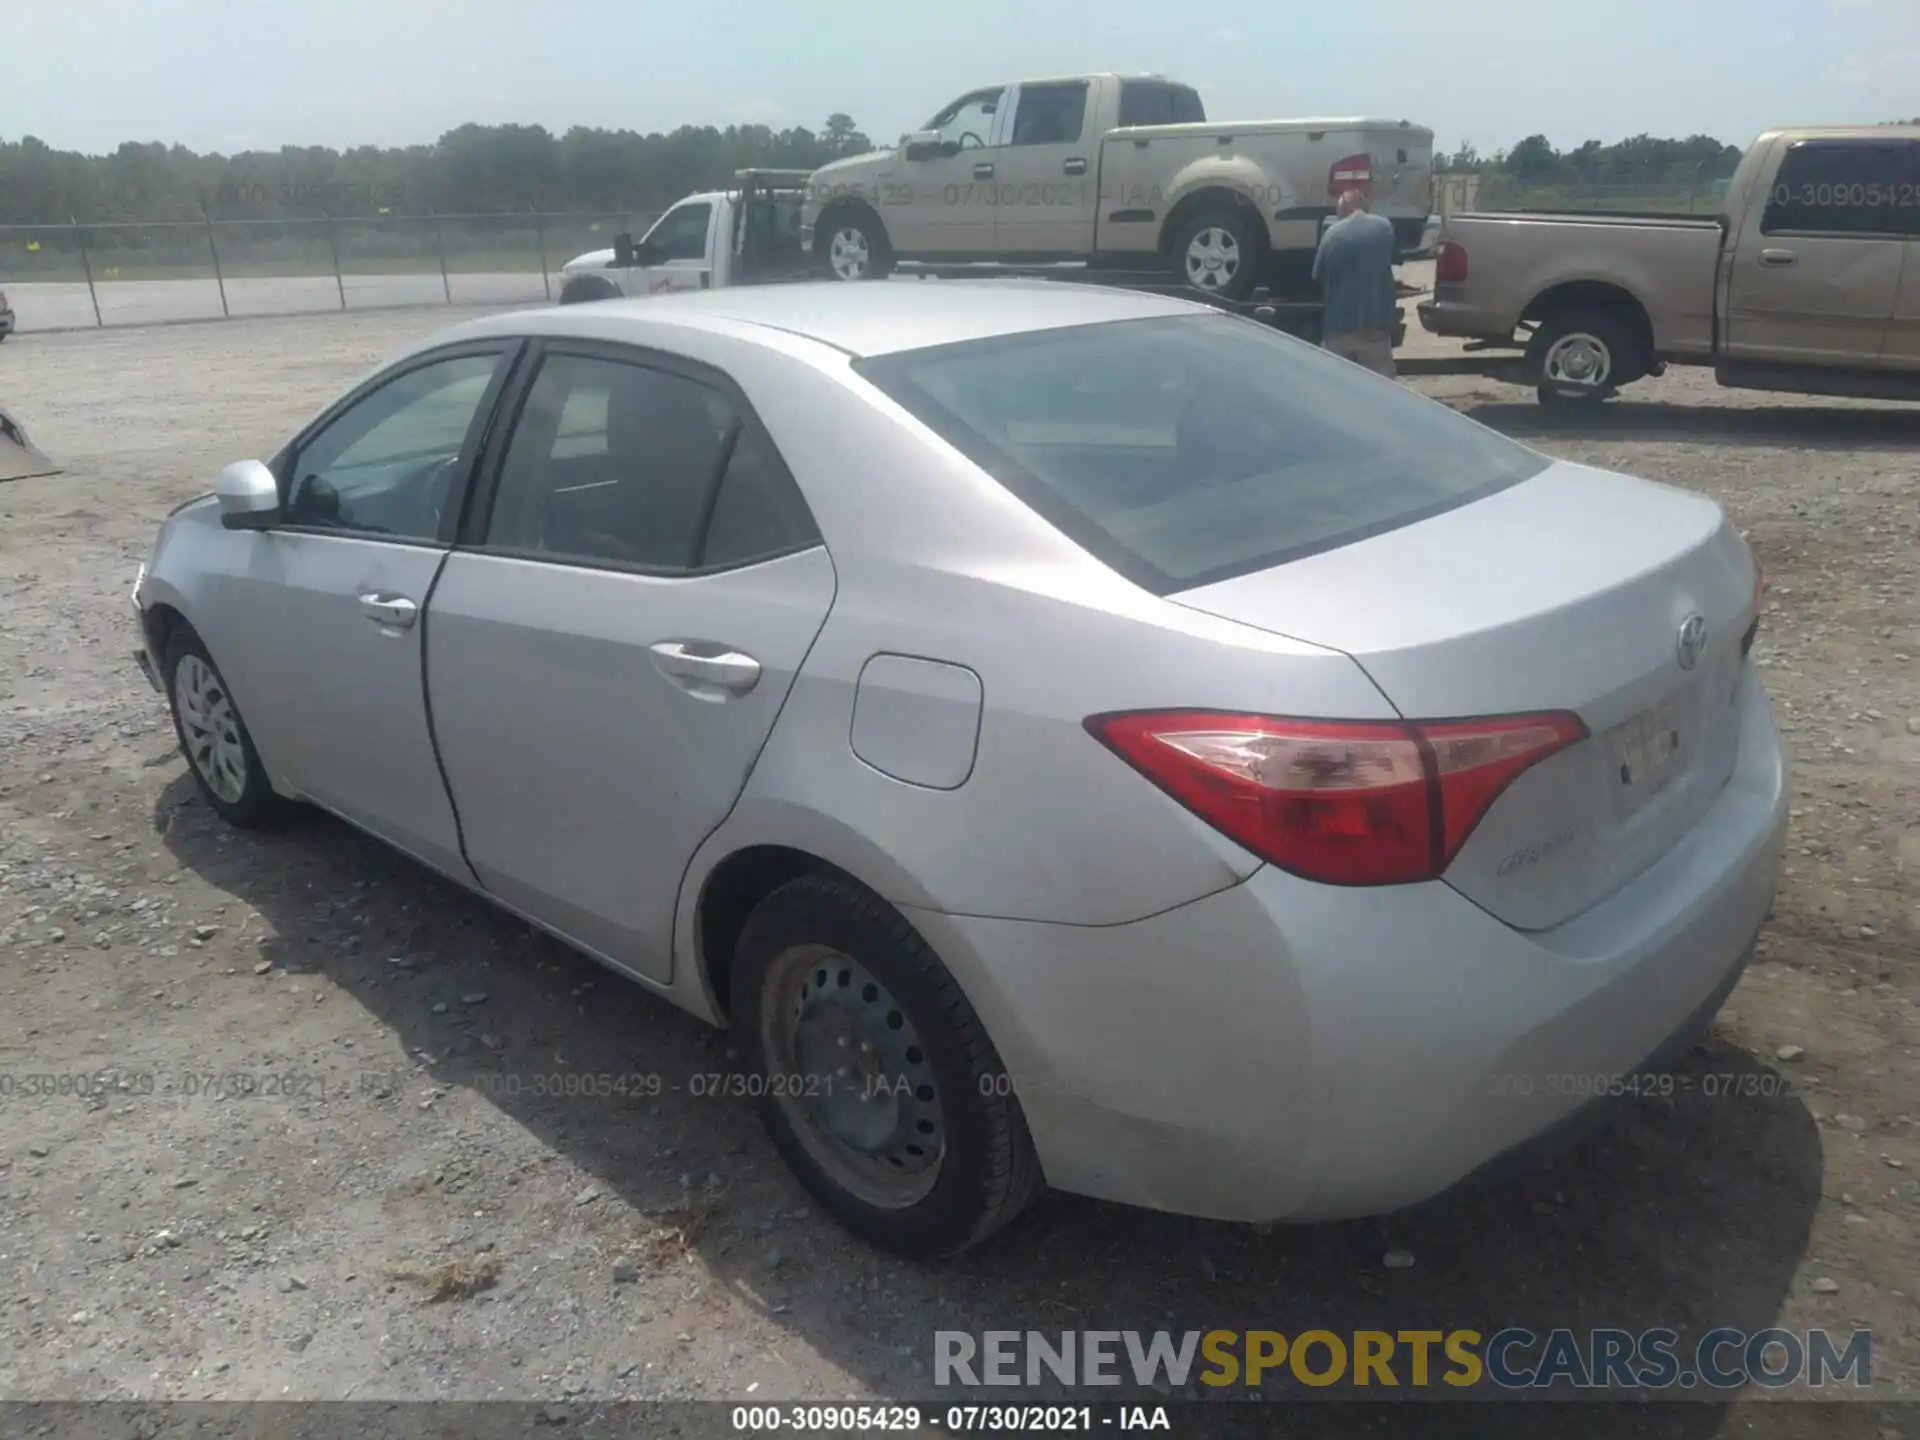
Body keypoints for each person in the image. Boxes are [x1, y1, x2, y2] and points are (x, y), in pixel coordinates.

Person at [1312, 187, 1399, 377]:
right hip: (1375, 326)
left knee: (1337, 387)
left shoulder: (1330, 234)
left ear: (1342, 210)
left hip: (1339, 328)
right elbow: (1392, 259)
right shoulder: (1383, 226)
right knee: (1380, 389)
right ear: (1364, 205)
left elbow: (1317, 276)